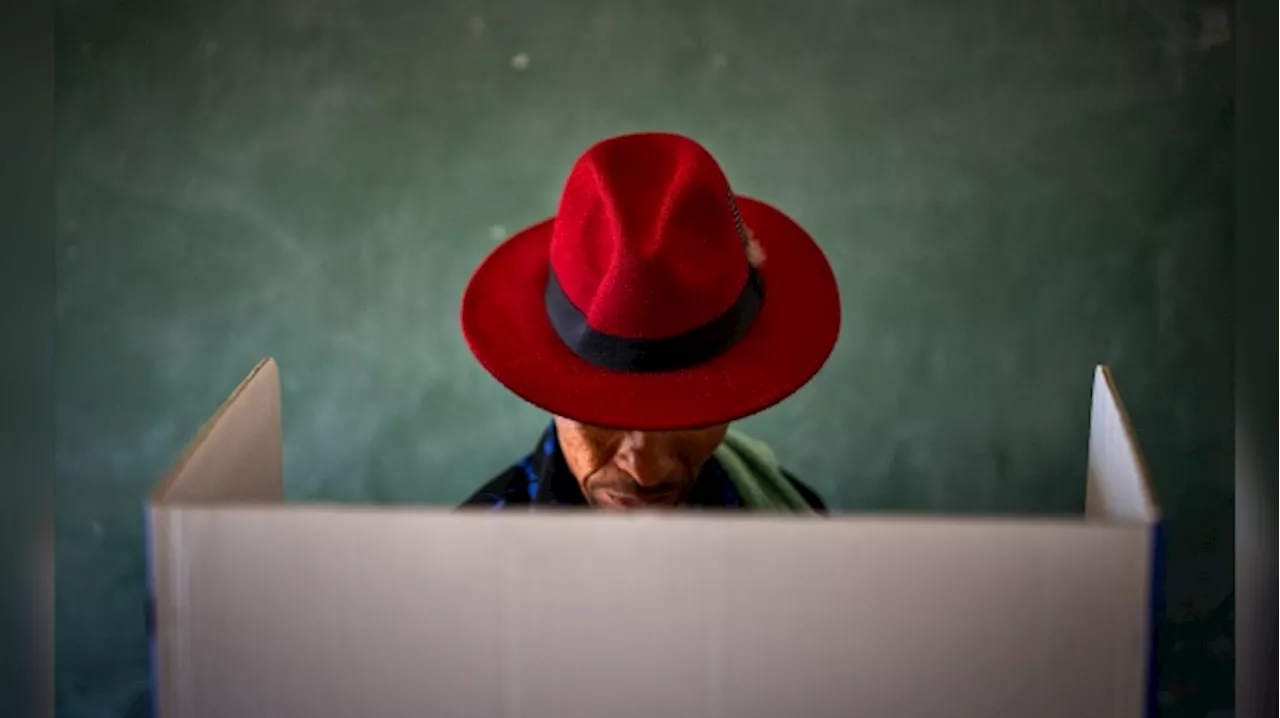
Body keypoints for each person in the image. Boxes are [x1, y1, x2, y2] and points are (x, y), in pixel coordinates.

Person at [458, 132, 841, 511]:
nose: (647, 472)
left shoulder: (800, 526)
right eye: (602, 415)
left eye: (689, 413)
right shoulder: (470, 562)